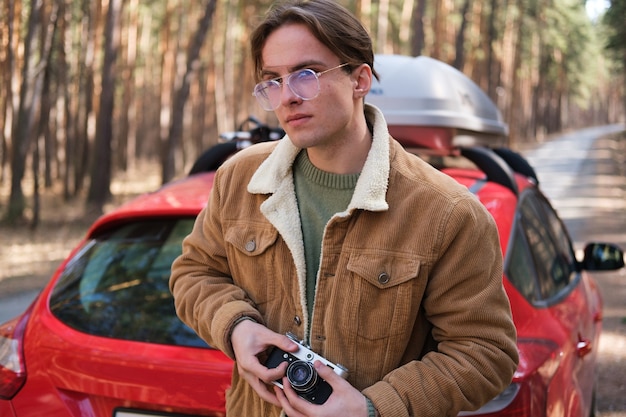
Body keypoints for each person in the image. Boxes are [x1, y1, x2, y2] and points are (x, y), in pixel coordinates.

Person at [169, 0, 519, 416]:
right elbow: (194, 273)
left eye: (306, 75)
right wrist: (236, 326)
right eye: (273, 81)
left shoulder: (447, 212)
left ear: (360, 79)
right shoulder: (239, 179)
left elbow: (485, 353)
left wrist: (373, 408)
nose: (288, 97)